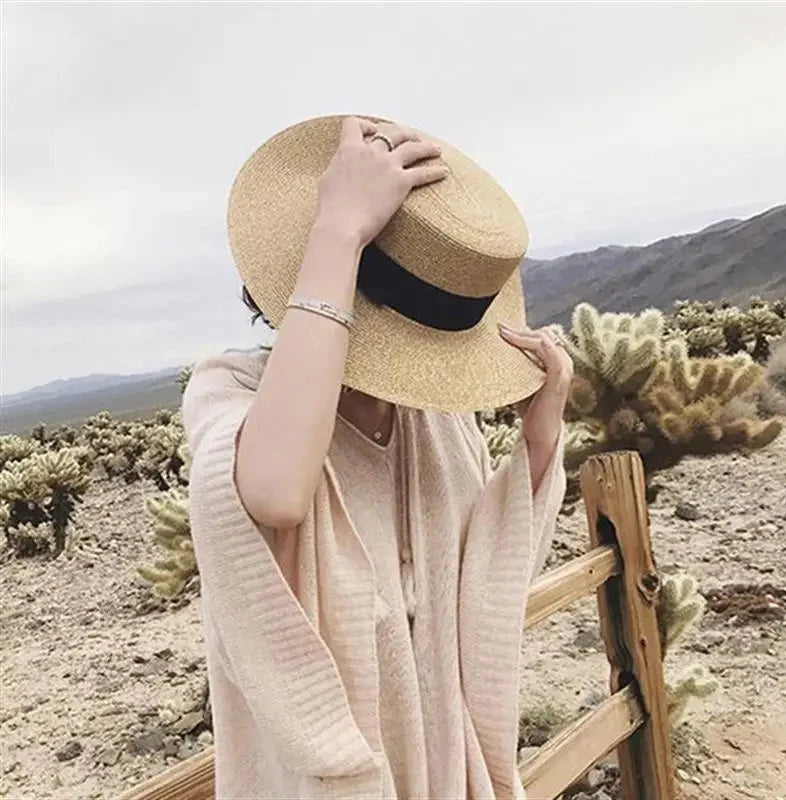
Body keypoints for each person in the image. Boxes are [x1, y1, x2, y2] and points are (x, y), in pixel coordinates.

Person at [181, 114, 572, 800]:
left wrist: (540, 441)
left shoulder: (438, 423)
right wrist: (339, 233)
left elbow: (489, 579)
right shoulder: (232, 392)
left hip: (441, 772)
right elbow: (276, 492)